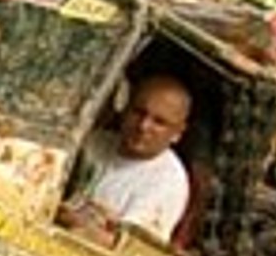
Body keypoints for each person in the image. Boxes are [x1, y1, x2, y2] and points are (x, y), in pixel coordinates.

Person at [60, 73, 192, 244]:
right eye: (139, 112)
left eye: (159, 122)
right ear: (125, 109)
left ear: (178, 133)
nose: (143, 126)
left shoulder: (168, 182)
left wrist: (68, 217)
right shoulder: (94, 142)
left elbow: (126, 247)